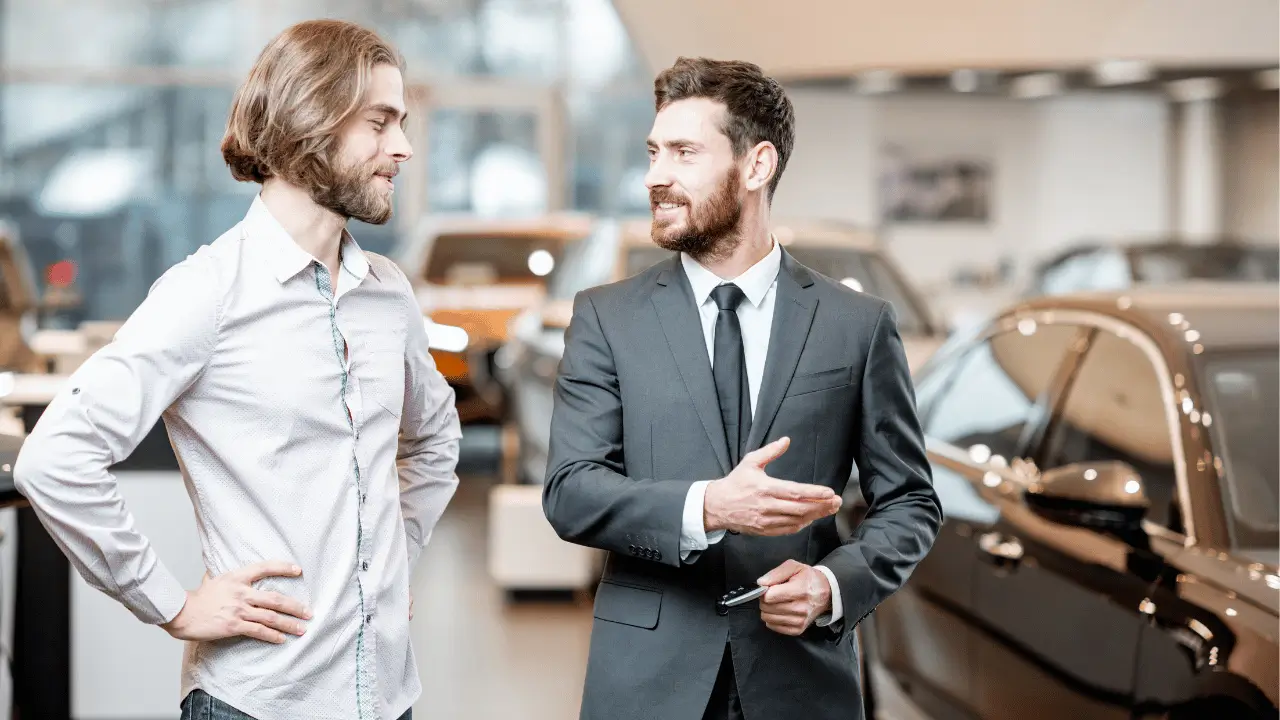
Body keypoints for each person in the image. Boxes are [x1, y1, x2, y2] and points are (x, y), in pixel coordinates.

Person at [14, 19, 461, 720]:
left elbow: (435, 439)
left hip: (388, 697)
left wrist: (392, 552)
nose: (402, 147)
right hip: (258, 704)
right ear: (311, 119)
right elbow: (56, 459)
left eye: (401, 123)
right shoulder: (208, 292)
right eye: (380, 123)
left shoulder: (388, 291)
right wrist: (172, 604)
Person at [543, 57, 943, 720]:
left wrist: (831, 584)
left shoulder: (857, 326)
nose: (655, 176)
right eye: (652, 153)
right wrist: (710, 507)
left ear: (756, 166)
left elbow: (909, 502)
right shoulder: (605, 318)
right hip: (647, 682)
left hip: (800, 678)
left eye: (683, 153)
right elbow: (571, 492)